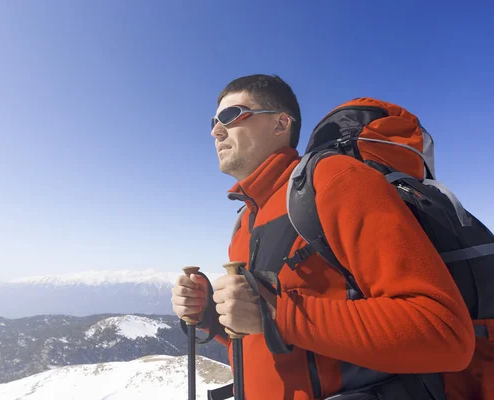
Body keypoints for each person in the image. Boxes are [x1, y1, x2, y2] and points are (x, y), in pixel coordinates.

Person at [171, 74, 475, 399]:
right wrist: (211, 316)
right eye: (214, 121)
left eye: (231, 116)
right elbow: (273, 341)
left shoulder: (335, 180)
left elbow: (444, 333)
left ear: (280, 123)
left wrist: (276, 313)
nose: (216, 130)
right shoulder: (245, 220)